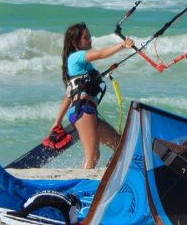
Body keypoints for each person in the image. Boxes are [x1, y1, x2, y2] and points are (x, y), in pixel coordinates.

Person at [51, 22, 134, 169]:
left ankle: (112, 172)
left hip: (88, 112)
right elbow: (101, 54)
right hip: (82, 111)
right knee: (93, 155)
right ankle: (82, 186)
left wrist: (57, 122)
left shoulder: (81, 66)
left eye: (89, 37)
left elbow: (69, 95)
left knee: (119, 145)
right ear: (75, 43)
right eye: (86, 38)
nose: (90, 40)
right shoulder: (76, 57)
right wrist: (122, 46)